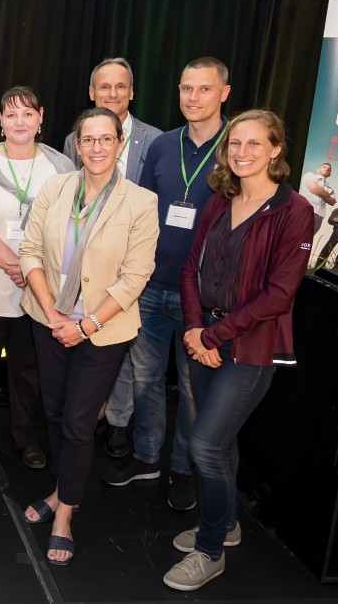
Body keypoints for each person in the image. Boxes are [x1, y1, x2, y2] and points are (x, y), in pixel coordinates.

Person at [164, 110, 313, 591]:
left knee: (204, 444)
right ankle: (225, 524)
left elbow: (279, 294)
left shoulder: (296, 212)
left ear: (275, 149)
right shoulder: (218, 199)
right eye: (235, 144)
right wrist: (193, 327)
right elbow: (190, 270)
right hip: (203, 336)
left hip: (248, 347)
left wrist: (213, 335)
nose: (242, 153)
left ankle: (211, 550)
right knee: (219, 443)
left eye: (254, 144)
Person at [19, 107, 158, 565]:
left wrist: (85, 325)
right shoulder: (55, 188)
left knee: (79, 421)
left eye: (105, 139)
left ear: (120, 143)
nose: (96, 147)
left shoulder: (141, 202)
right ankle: (62, 491)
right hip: (49, 319)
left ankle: (65, 515)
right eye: (88, 139)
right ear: (77, 145)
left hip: (103, 331)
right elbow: (31, 250)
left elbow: (135, 276)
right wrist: (54, 311)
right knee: (55, 412)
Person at [103, 57, 231, 513]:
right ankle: (146, 458)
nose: (193, 98)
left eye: (204, 89)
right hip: (152, 283)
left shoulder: (237, 148)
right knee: (146, 379)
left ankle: (183, 468)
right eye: (186, 89)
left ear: (224, 93)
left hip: (205, 296)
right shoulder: (161, 146)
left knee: (196, 388)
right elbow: (137, 210)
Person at [0, 86, 75, 470]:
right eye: (11, 115)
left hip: (40, 293)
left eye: (27, 114)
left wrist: (32, 271)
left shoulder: (61, 167)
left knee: (29, 373)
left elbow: (66, 230)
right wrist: (15, 264)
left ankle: (27, 439)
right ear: (0, 121)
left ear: (41, 117)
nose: (19, 122)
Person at [62, 57, 163, 458]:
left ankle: (118, 421)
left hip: (134, 265)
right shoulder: (76, 139)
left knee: (130, 354)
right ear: (92, 93)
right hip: (89, 264)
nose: (113, 93)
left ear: (132, 92)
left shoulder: (156, 141)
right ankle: (89, 417)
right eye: (105, 87)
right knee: (94, 347)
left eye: (121, 86)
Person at [299, 162, 336, 235]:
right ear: (318, 170)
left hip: (319, 216)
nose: (327, 169)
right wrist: (327, 196)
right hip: (306, 211)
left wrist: (319, 192)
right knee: (298, 235)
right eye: (324, 167)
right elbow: (313, 187)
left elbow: (332, 202)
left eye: (329, 169)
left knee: (308, 239)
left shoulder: (330, 189)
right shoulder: (310, 175)